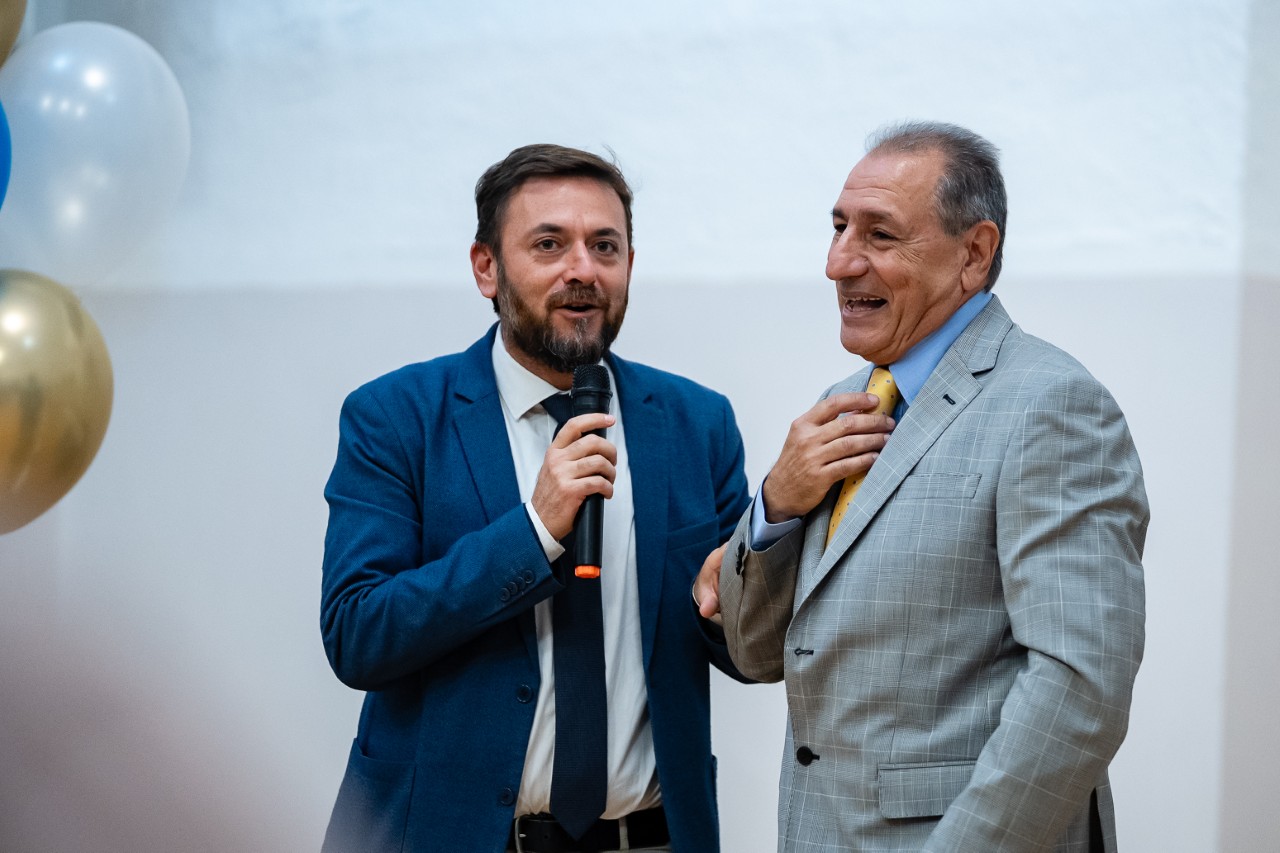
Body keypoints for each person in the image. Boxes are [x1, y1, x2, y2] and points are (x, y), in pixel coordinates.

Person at [702, 122, 1148, 851]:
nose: (839, 262)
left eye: (880, 235)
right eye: (839, 228)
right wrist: (775, 506)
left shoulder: (1052, 405)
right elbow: (755, 654)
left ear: (974, 253)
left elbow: (1079, 691)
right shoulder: (844, 401)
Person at [320, 143, 751, 853]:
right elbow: (358, 635)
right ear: (486, 268)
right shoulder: (396, 416)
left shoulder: (696, 423)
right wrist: (534, 532)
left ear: (630, 265)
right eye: (549, 244)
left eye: (605, 246)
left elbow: (749, 653)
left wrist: (772, 526)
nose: (582, 269)